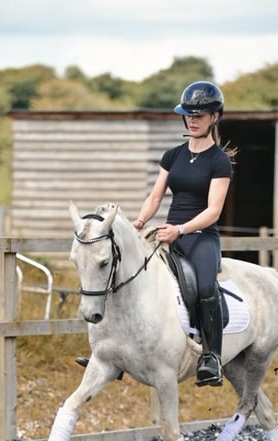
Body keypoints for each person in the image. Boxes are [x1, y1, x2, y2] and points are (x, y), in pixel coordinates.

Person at [76, 81, 236, 387]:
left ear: (214, 117)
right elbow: (155, 197)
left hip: (200, 236)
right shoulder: (173, 155)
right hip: (165, 232)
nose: (192, 119)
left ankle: (211, 357)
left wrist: (181, 229)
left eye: (199, 115)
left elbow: (214, 210)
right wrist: (140, 221)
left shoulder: (219, 161)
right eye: (188, 114)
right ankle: (112, 352)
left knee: (204, 287)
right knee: (124, 274)